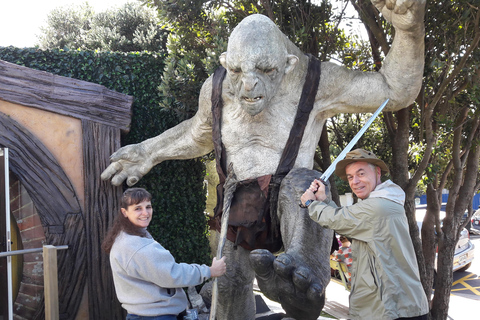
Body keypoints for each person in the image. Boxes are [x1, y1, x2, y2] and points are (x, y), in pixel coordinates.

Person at [101, 2, 426, 318]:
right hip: (240, 202)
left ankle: (305, 276)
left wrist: (408, 30)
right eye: (238, 71)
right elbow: (196, 134)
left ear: (287, 65)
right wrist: (148, 151)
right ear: (227, 63)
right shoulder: (216, 88)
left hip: (294, 199)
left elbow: (394, 90)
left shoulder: (315, 80)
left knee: (307, 182)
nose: (249, 85)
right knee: (229, 285)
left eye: (265, 70)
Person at [300, 149, 429, 320]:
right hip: (391, 308)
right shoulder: (383, 201)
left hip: (393, 310)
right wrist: (323, 200)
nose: (355, 181)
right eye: (350, 177)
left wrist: (310, 203)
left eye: (361, 174)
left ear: (377, 172)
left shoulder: (378, 207)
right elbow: (346, 222)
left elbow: (337, 220)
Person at [102, 188, 227, 320]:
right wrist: (210, 271)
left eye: (148, 207)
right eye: (138, 208)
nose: (145, 213)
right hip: (156, 316)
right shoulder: (136, 246)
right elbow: (172, 274)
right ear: (124, 212)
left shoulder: (125, 237)